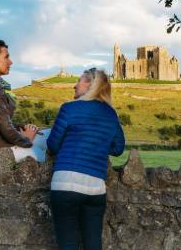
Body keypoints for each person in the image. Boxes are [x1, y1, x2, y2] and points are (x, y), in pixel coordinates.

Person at [47, 68, 125, 250]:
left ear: (90, 85)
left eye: (79, 81)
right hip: (95, 187)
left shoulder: (69, 109)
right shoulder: (111, 114)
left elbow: (53, 145)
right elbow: (118, 148)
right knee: (93, 245)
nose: (75, 85)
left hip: (65, 184)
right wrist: (97, 144)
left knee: (68, 245)